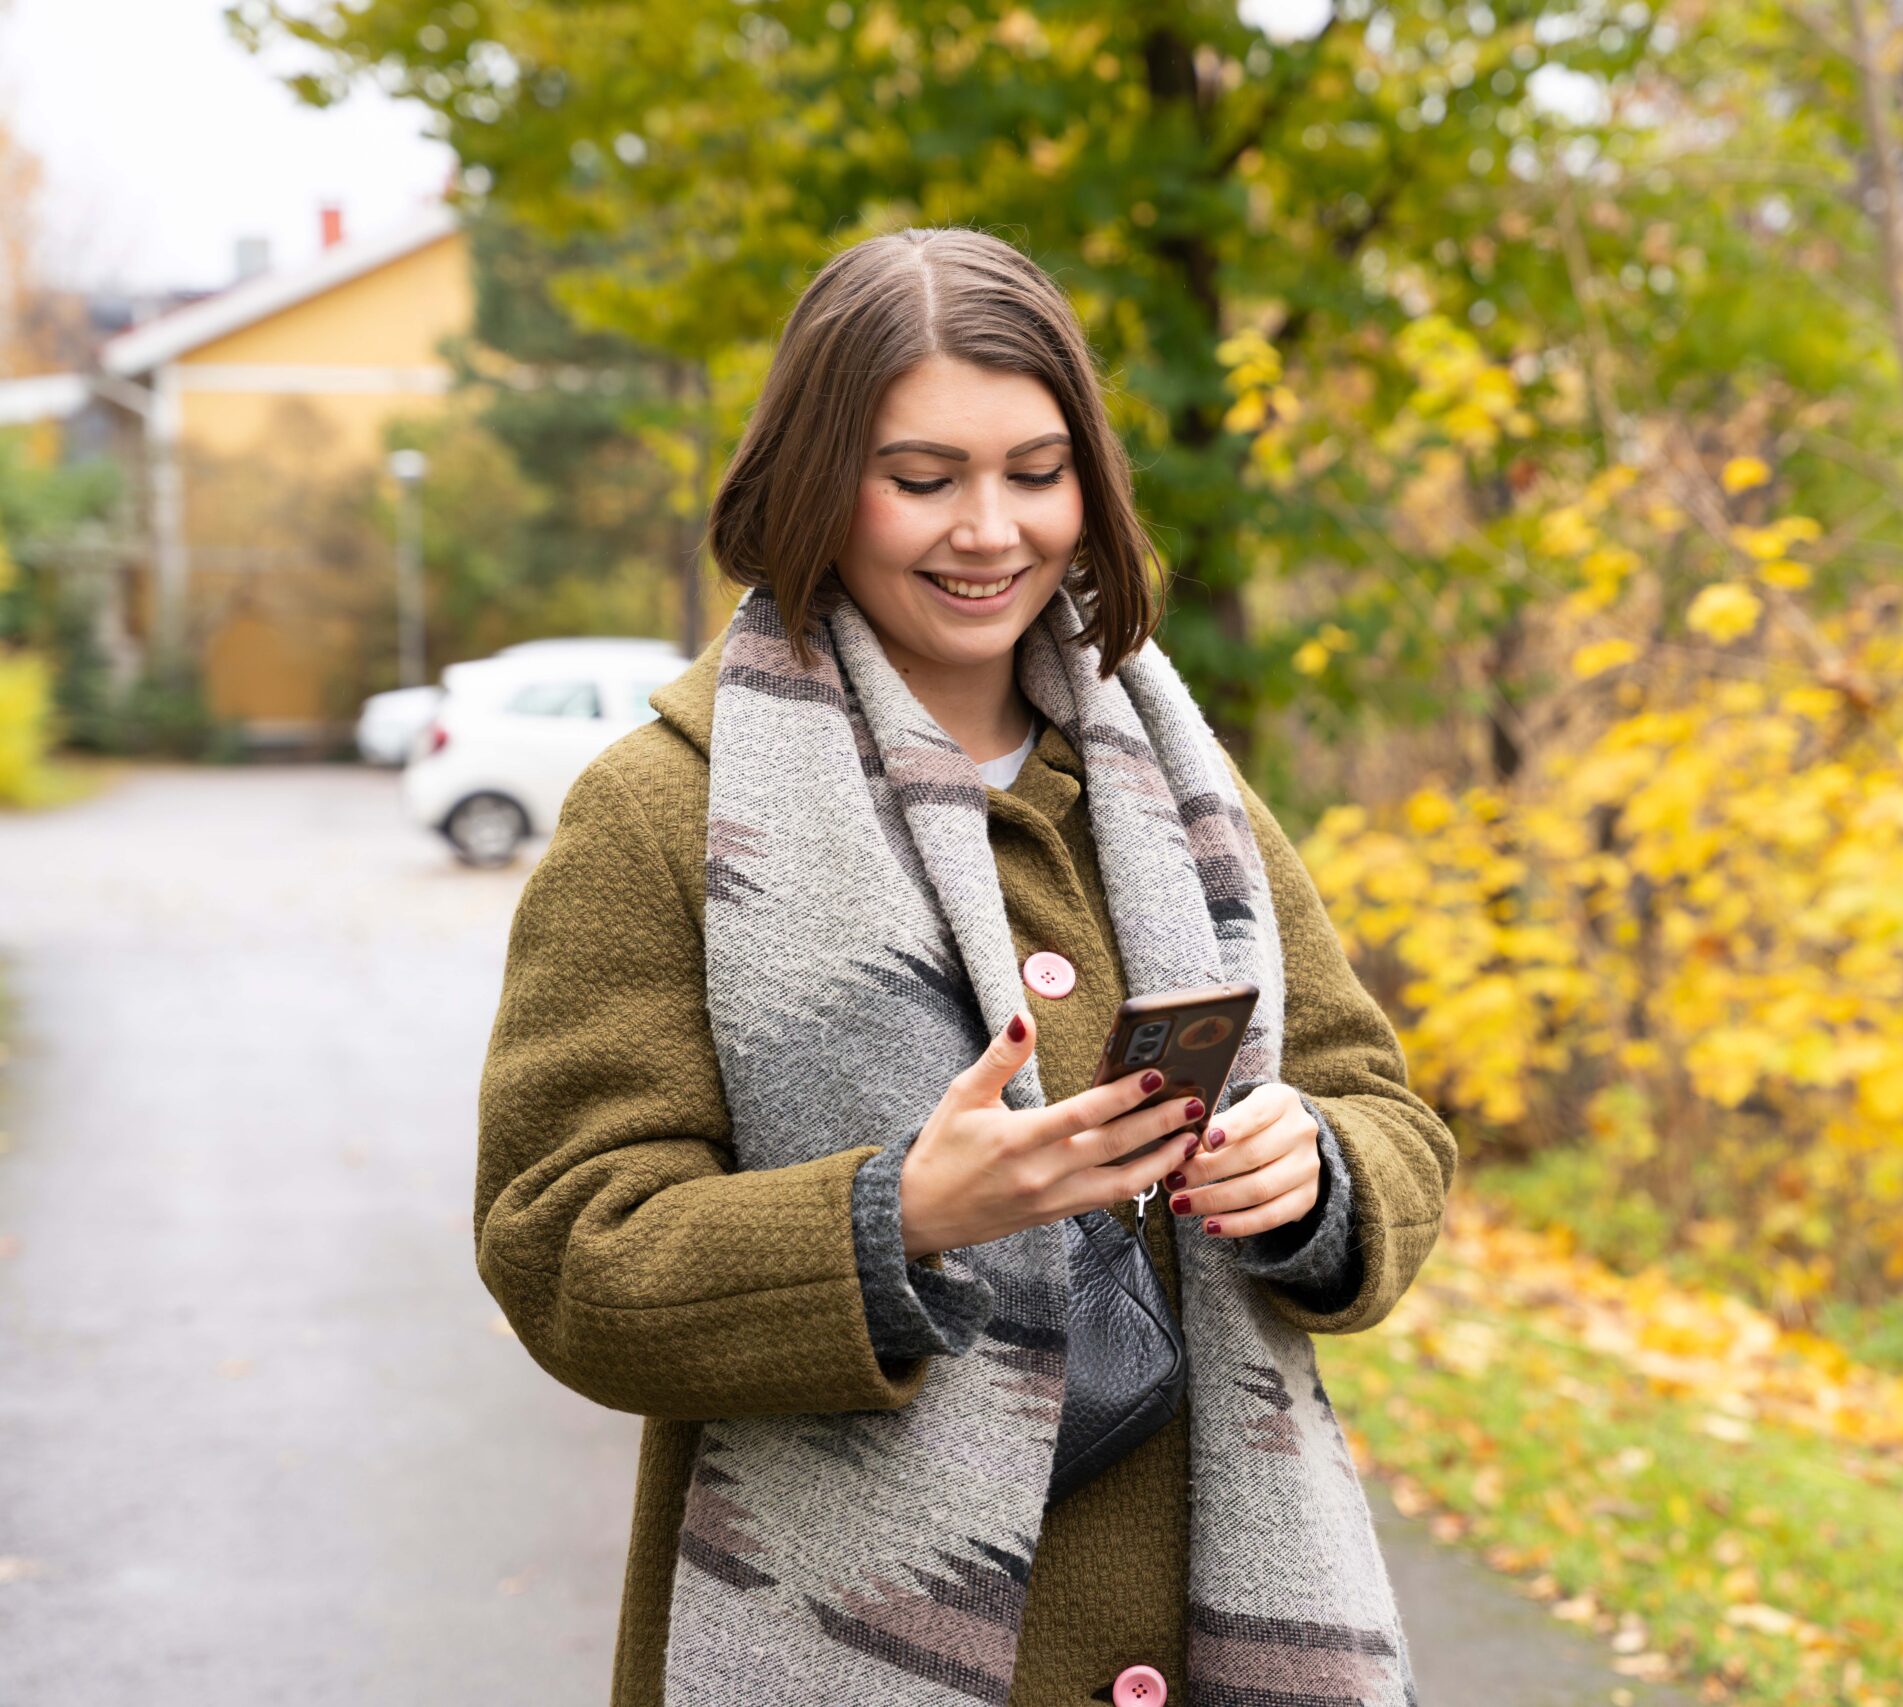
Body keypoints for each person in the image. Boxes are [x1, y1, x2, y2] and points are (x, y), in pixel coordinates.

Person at [473, 225, 1458, 1707]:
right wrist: (896, 1221)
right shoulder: (666, 807)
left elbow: (1382, 1111)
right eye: (923, 479)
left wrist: (1316, 1178)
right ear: (816, 482)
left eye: (1036, 473)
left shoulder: (1177, 786)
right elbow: (562, 1245)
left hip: (1212, 1639)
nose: (989, 529)